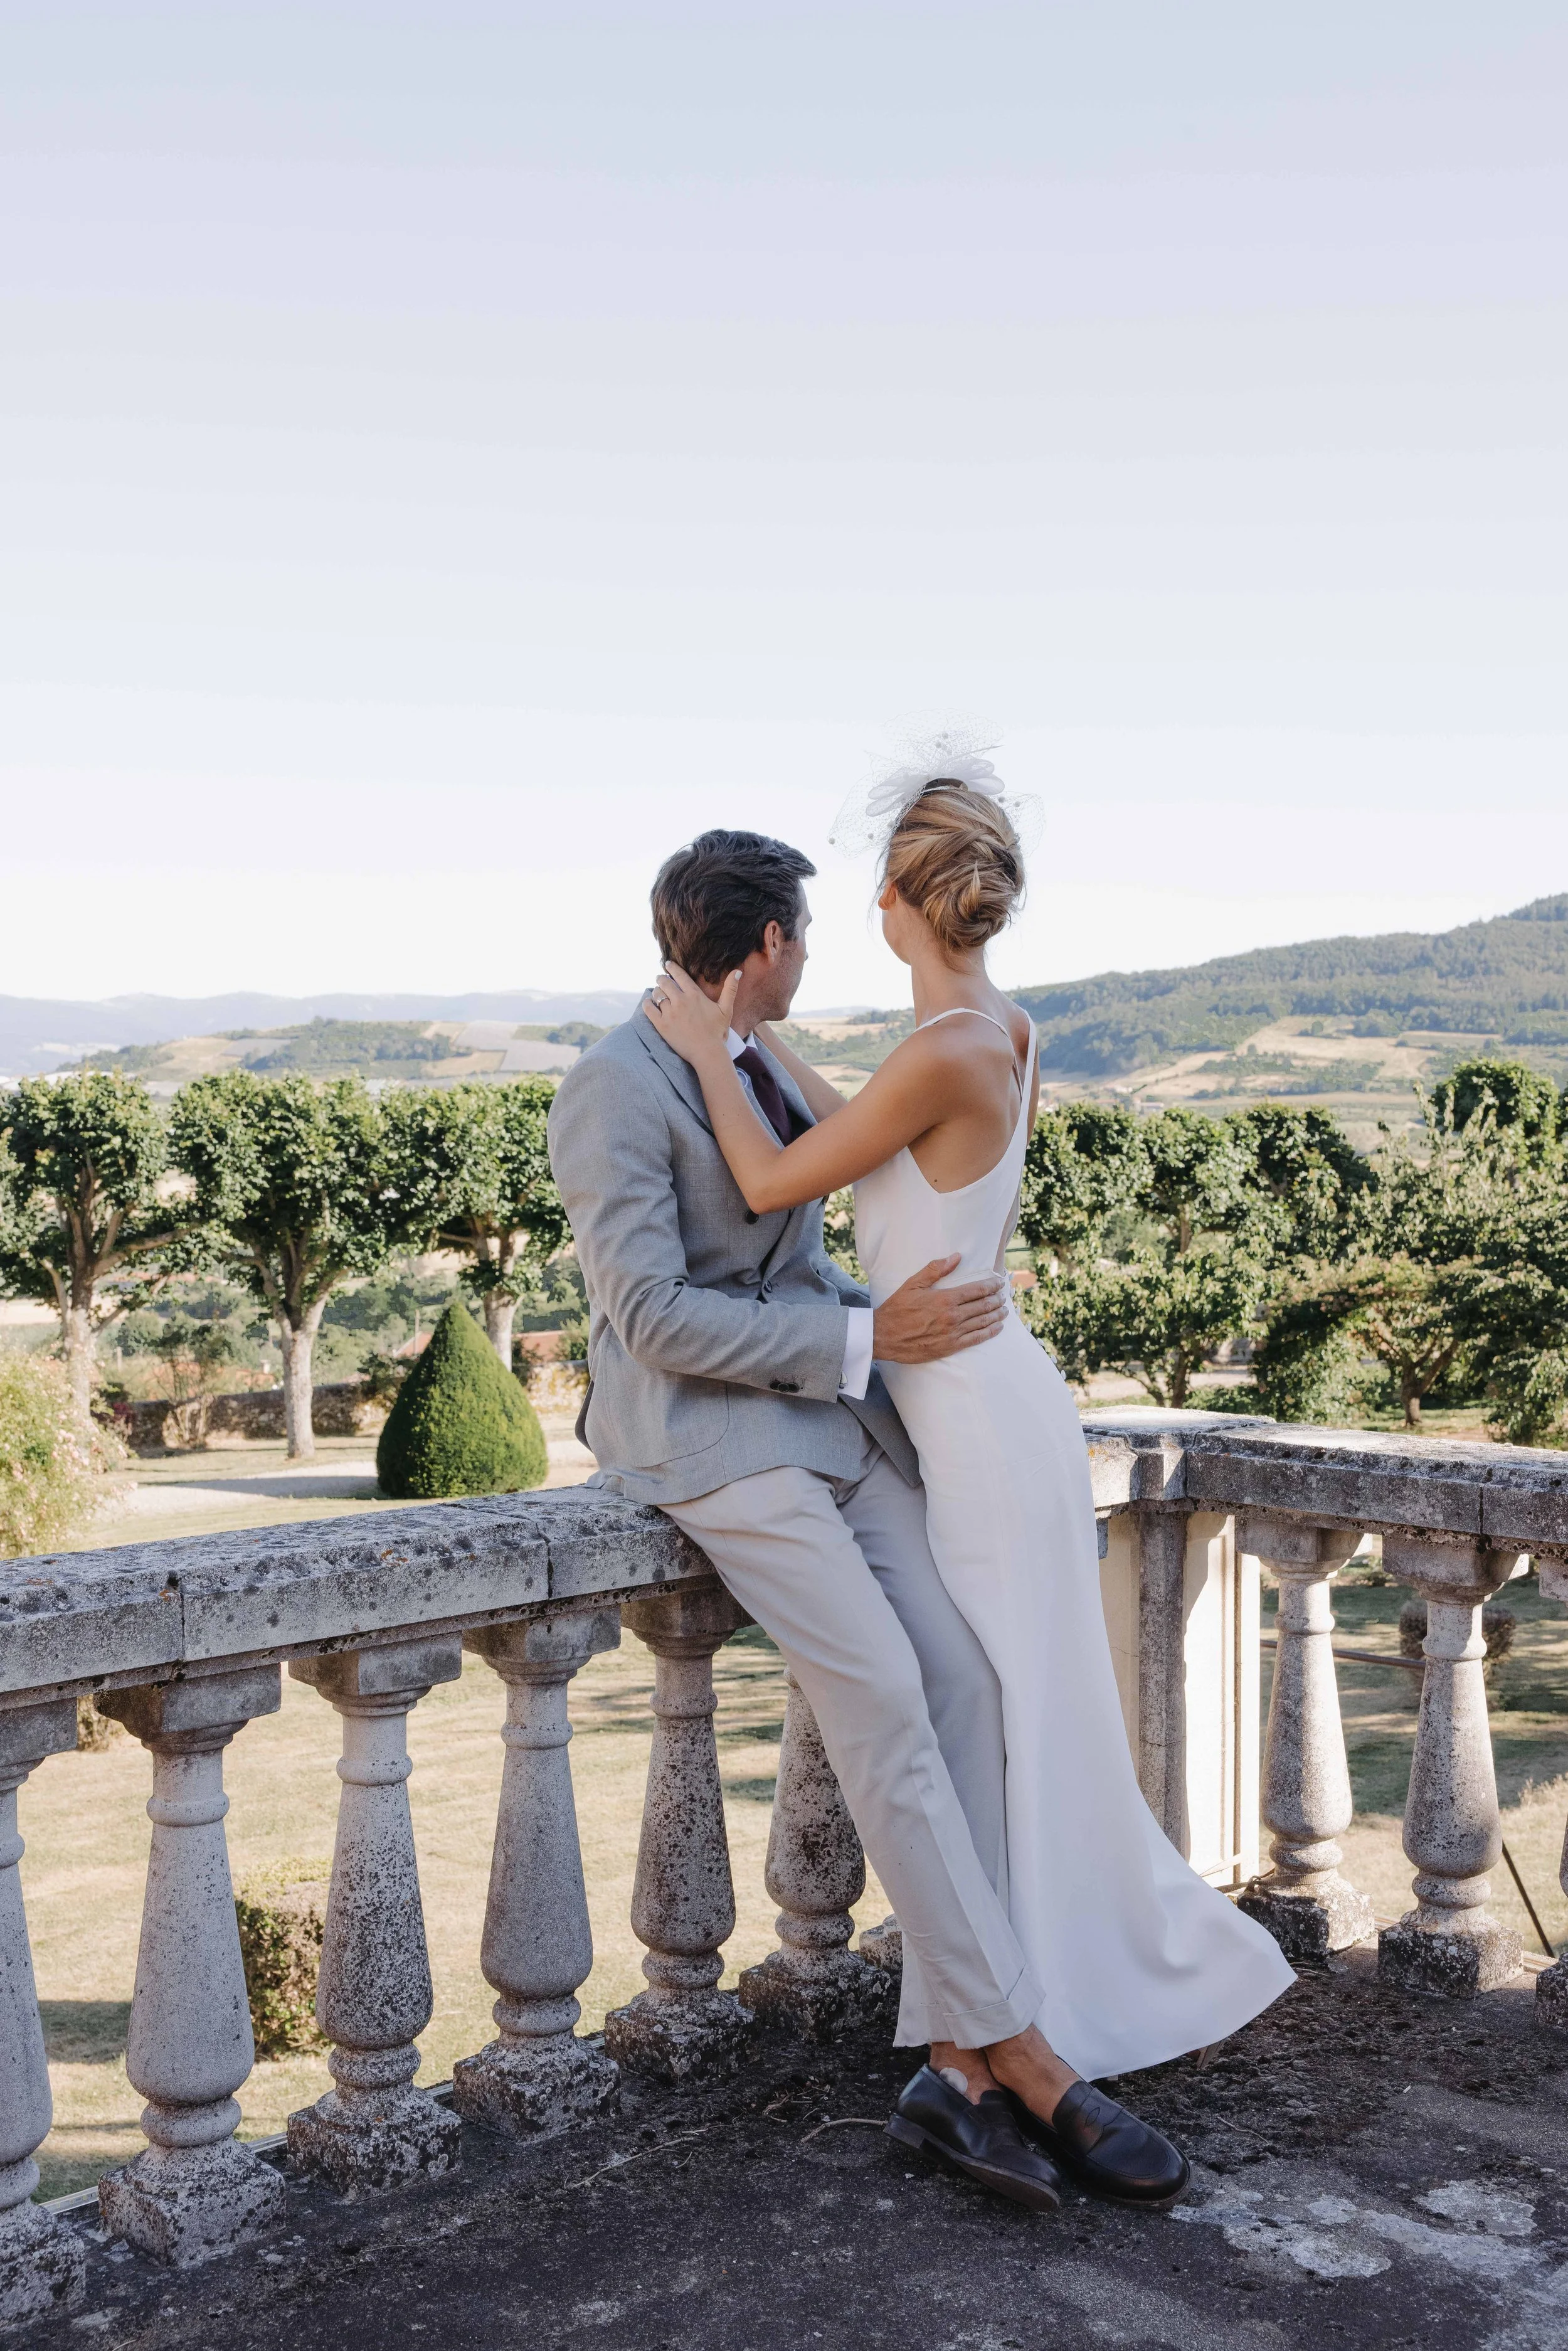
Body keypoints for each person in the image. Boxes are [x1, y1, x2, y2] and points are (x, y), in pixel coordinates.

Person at [549, 773, 1290, 2218]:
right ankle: (1021, 2054)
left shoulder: (754, 1057)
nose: (820, 950)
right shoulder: (611, 1086)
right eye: (802, 935)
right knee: (884, 1689)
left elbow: (813, 1230)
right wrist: (861, 1337)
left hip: (834, 1419)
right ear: (760, 946)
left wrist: (869, 1334)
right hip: (707, 1437)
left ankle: (947, 2066)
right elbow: (650, 1319)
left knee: (959, 1674)